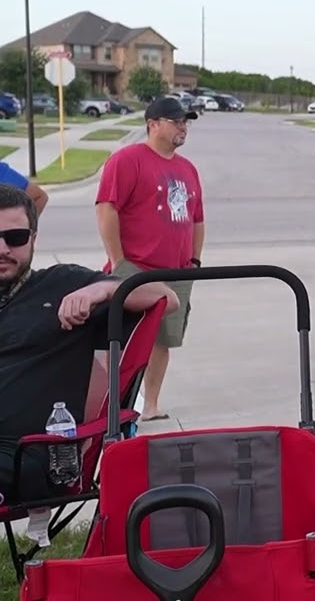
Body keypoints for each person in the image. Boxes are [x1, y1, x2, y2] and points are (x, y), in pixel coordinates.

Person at [0, 183, 177, 503]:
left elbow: (167, 298)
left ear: (34, 239)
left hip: (28, 455)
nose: (3, 249)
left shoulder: (63, 284)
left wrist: (103, 290)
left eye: (15, 238)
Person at [94, 96, 205, 423]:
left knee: (164, 341)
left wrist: (195, 261)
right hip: (138, 269)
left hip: (178, 271)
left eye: (186, 122)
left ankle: (151, 405)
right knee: (122, 340)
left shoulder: (187, 169)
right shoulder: (127, 161)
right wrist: (119, 262)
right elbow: (106, 208)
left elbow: (196, 219)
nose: (183, 127)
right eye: (176, 121)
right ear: (153, 124)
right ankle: (109, 405)